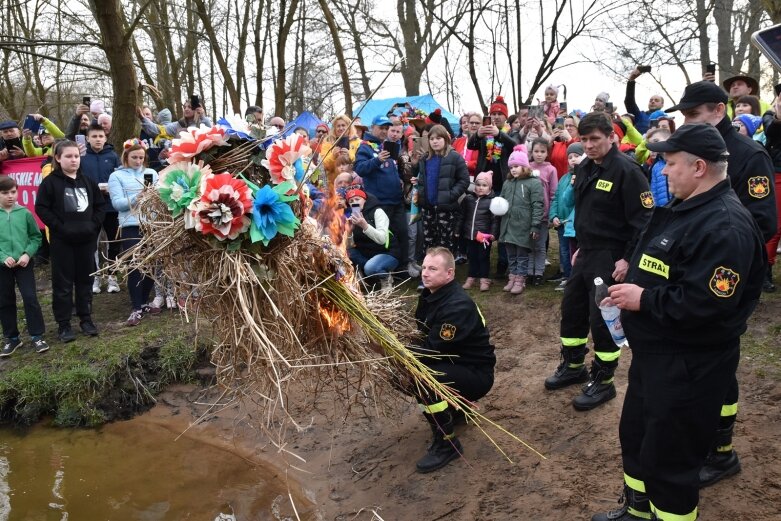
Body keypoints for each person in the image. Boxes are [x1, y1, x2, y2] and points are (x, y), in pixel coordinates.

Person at [591, 124, 766, 521]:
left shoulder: (725, 226)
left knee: (670, 461)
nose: (663, 171)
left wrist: (644, 298)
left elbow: (708, 304)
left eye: (670, 163)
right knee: (636, 437)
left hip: (689, 363)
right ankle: (636, 510)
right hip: (656, 356)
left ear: (699, 166)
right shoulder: (683, 207)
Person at [665, 79, 777, 487]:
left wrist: (716, 231)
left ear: (718, 109)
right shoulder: (691, 152)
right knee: (695, 363)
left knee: (718, 363)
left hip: (727, 272)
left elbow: (764, 220)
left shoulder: (749, 155)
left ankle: (721, 449)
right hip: (690, 268)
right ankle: (701, 437)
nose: (687, 122)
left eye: (693, 115)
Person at [543, 112, 652, 411]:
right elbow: (585, 212)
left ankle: (603, 381)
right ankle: (574, 365)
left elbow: (644, 222)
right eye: (584, 139)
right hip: (587, 251)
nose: (589, 146)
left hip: (612, 255)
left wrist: (627, 259)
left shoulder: (627, 171)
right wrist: (580, 246)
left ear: (611, 137)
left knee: (602, 318)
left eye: (595, 139)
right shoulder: (587, 168)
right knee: (573, 308)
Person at [410, 247, 495, 473]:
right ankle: (456, 410)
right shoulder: (431, 296)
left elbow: (431, 351)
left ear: (449, 274)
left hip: (475, 374)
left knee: (422, 379)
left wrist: (389, 348)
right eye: (424, 267)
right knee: (404, 375)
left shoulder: (456, 305)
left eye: (433, 269)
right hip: (455, 365)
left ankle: (447, 444)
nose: (425, 273)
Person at [35, 140, 105, 342]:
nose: (73, 160)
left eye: (76, 156)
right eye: (68, 156)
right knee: (63, 284)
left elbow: (100, 206)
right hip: (62, 242)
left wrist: (93, 227)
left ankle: (86, 319)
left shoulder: (88, 181)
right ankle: (64, 325)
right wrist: (60, 227)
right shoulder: (50, 182)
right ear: (58, 158)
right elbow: (42, 208)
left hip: (86, 241)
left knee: (85, 281)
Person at [108, 139, 159, 326]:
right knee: (136, 265)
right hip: (131, 224)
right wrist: (138, 197)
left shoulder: (151, 173)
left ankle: (144, 301)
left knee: (152, 265)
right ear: (126, 157)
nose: (138, 161)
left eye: (141, 158)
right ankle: (136, 307)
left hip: (152, 225)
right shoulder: (117, 176)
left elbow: (160, 197)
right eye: (134, 157)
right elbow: (118, 204)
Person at [468, 95, 519, 278]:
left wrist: (500, 135)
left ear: (505, 117)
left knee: (503, 226)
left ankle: (503, 263)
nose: (496, 117)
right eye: (493, 113)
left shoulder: (510, 132)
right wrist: (477, 134)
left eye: (499, 114)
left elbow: (516, 146)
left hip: (504, 185)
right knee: (485, 223)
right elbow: (470, 145)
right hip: (484, 187)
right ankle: (483, 263)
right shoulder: (483, 134)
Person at [0, 176, 48, 356]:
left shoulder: (25, 213)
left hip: (24, 264)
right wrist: (3, 257)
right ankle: (11, 338)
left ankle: (37, 336)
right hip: (2, 266)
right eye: (5, 193)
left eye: (13, 192)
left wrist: (27, 254)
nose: (10, 196)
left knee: (30, 298)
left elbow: (36, 237)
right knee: (5, 301)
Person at [354, 115, 408, 273]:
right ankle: (380, 269)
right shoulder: (365, 146)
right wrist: (377, 160)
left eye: (386, 128)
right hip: (380, 202)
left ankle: (401, 268)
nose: (384, 131)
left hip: (396, 200)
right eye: (381, 128)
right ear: (372, 127)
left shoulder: (388, 145)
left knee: (402, 233)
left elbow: (391, 168)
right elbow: (360, 169)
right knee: (383, 238)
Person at [414, 124, 470, 254]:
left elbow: (464, 180)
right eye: (432, 139)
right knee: (429, 243)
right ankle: (430, 272)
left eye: (438, 138)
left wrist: (450, 195)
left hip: (446, 209)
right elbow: (424, 180)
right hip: (428, 208)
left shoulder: (454, 157)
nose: (434, 141)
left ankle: (446, 272)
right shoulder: (425, 158)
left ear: (445, 139)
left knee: (445, 245)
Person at [497, 145, 544, 295]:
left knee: (521, 254)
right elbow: (503, 201)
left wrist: (535, 225)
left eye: (516, 166)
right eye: (511, 167)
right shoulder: (508, 183)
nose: (513, 170)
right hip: (508, 224)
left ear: (524, 166)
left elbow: (538, 205)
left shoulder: (534, 183)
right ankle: (512, 276)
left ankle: (520, 279)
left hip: (523, 225)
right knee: (510, 253)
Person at [81, 123, 121, 294]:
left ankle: (112, 277)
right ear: (88, 138)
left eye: (100, 136)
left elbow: (120, 178)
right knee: (91, 244)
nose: (98, 139)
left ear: (105, 138)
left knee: (113, 243)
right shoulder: (81, 157)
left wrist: (110, 188)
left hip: (111, 206)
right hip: (90, 208)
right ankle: (95, 277)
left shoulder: (113, 156)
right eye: (94, 136)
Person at [345, 188, 400, 291]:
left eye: (357, 199)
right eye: (351, 201)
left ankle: (385, 277)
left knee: (370, 267)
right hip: (367, 254)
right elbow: (349, 246)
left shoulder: (377, 212)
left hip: (387, 253)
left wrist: (364, 225)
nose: (354, 203)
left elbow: (382, 239)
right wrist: (349, 231)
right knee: (347, 253)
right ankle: (365, 275)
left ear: (365, 200)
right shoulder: (353, 218)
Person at [549, 142, 582, 290]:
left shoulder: (582, 177)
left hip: (574, 224)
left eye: (577, 156)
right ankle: (566, 275)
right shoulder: (563, 178)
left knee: (574, 251)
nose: (573, 159)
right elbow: (556, 197)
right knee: (563, 250)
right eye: (570, 157)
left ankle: (572, 278)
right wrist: (553, 215)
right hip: (562, 223)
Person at [459, 171, 499, 291]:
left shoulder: (492, 201)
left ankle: (484, 278)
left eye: (484, 185)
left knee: (483, 257)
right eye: (478, 184)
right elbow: (462, 215)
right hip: (470, 235)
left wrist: (493, 234)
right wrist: (458, 230)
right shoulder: (468, 199)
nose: (480, 188)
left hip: (484, 237)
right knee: (472, 256)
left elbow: (495, 220)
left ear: (490, 187)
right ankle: (471, 277)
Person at [529, 137, 559, 285]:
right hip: (528, 214)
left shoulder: (551, 169)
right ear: (531, 152)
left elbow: (554, 194)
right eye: (536, 151)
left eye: (542, 151)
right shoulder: (526, 167)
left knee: (540, 245)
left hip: (543, 215)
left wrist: (551, 214)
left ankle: (539, 273)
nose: (539, 154)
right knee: (528, 245)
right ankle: (529, 272)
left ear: (547, 153)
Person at [625, 67, 665, 134]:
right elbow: (629, 102)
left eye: (656, 100)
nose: (653, 101)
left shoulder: (666, 119)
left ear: (662, 104)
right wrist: (631, 81)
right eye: (651, 100)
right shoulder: (640, 115)